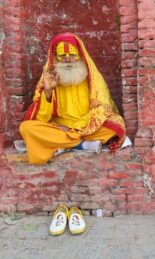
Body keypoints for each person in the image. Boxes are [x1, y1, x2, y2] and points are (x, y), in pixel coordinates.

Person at [20, 32, 126, 165]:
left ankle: (63, 143)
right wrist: (48, 90)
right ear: (56, 58)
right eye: (63, 56)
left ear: (80, 55)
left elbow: (102, 110)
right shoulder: (49, 78)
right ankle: (82, 145)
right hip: (59, 126)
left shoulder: (92, 78)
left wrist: (75, 128)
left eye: (72, 55)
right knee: (26, 127)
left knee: (115, 125)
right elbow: (41, 118)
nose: (68, 60)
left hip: (88, 126)